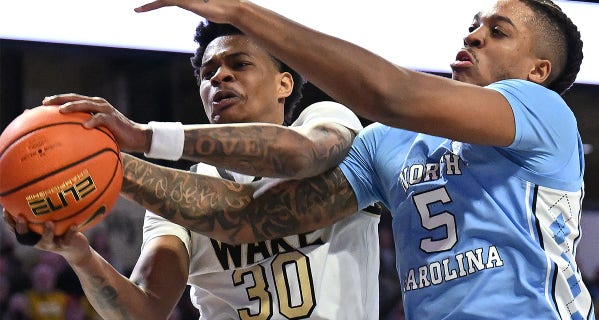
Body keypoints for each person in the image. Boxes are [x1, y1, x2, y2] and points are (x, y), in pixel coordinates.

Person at [110, 0, 595, 319]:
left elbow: (393, 93)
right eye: (473, 26)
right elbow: (253, 215)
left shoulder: (542, 110)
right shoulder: (389, 140)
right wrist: (111, 162)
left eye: (498, 31)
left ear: (539, 71)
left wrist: (241, 11)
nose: (473, 36)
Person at [5, 21, 381, 319]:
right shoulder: (173, 193)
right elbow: (145, 310)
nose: (218, 77)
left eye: (240, 64)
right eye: (207, 72)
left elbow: (300, 155)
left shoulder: (327, 120)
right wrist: (80, 256)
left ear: (284, 83)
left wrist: (144, 137)